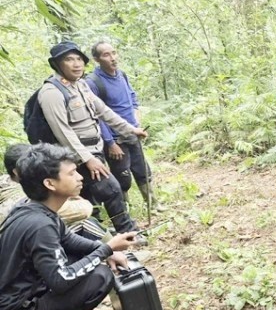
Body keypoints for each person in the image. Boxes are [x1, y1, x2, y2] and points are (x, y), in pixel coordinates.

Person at [0, 144, 136, 310]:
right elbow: (60, 280)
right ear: (50, 183)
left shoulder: (32, 207)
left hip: (27, 293)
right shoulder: (39, 225)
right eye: (71, 173)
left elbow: (68, 240)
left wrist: (106, 251)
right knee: (100, 276)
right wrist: (106, 249)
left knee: (87, 258)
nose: (80, 177)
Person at [38, 40, 147, 235]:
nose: (76, 64)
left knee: (88, 197)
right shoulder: (51, 93)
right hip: (76, 156)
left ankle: (95, 235)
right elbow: (63, 132)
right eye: (69, 59)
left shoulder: (80, 85)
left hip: (95, 149)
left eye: (79, 59)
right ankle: (128, 232)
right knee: (112, 189)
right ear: (57, 64)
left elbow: (103, 111)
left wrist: (131, 129)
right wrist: (88, 160)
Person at [86, 41, 159, 209]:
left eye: (114, 52)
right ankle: (124, 209)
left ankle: (152, 204)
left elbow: (132, 97)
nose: (113, 58)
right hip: (115, 138)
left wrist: (136, 115)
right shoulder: (93, 82)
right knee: (122, 175)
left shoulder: (122, 75)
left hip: (133, 132)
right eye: (106, 55)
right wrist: (110, 143)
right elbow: (97, 115)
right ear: (96, 59)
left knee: (142, 170)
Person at [1, 144, 111, 242]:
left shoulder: (10, 183)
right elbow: (82, 210)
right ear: (17, 171)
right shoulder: (23, 204)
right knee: (85, 224)